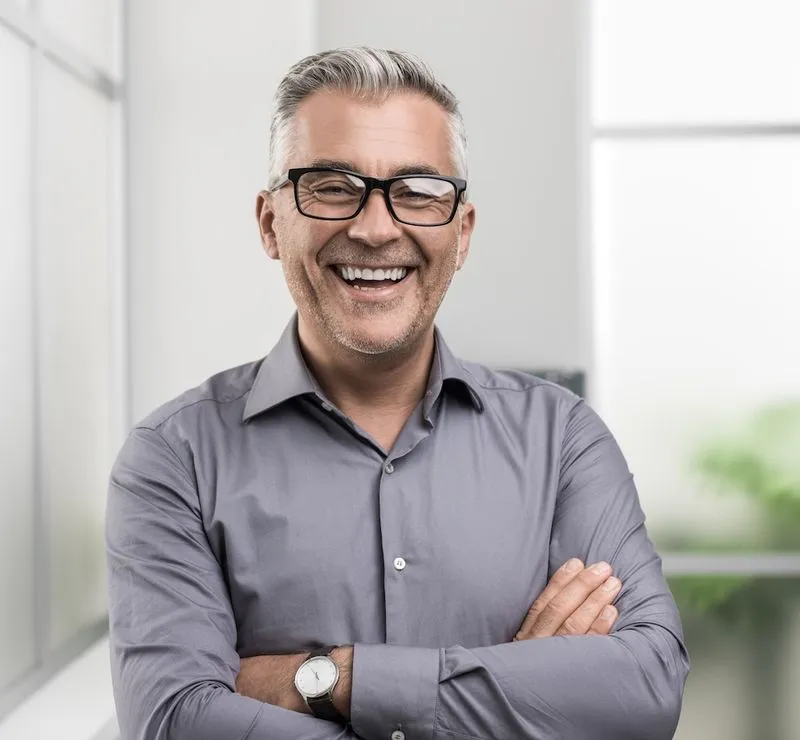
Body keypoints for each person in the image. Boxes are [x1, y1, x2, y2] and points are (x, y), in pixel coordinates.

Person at [106, 46, 689, 740]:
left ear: (462, 231)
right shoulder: (173, 461)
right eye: (329, 186)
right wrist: (517, 696)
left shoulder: (562, 440)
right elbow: (177, 721)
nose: (376, 228)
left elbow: (645, 690)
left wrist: (332, 678)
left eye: (417, 190)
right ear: (270, 223)